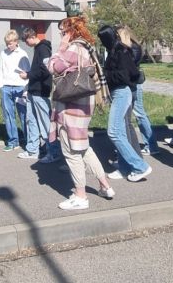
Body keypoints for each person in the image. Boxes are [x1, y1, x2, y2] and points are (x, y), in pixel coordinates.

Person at [48, 16, 114, 209]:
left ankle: (80, 196)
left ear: (70, 31)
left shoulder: (73, 48)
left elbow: (53, 66)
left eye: (63, 31)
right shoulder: (87, 48)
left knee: (71, 152)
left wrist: (61, 47)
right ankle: (105, 185)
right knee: (84, 148)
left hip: (71, 109)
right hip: (84, 107)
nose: (61, 34)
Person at [97, 25, 151, 182]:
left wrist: (104, 74)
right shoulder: (116, 50)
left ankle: (140, 166)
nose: (102, 42)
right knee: (119, 132)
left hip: (122, 92)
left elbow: (127, 74)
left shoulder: (121, 51)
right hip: (119, 92)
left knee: (114, 132)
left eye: (103, 38)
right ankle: (125, 167)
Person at [18, 28, 59, 162]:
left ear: (31, 37)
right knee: (32, 121)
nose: (26, 44)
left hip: (41, 91)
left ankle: (53, 152)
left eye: (26, 41)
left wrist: (28, 75)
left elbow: (45, 70)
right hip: (33, 90)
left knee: (45, 123)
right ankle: (33, 150)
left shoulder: (43, 49)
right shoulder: (38, 49)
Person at [0, 30, 29, 152]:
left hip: (20, 88)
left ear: (16, 42)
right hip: (6, 87)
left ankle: (29, 140)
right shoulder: (3, 53)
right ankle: (13, 141)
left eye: (10, 43)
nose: (8, 46)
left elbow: (27, 72)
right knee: (8, 115)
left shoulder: (22, 54)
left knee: (23, 115)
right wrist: (1, 85)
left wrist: (26, 89)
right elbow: (0, 68)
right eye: (7, 43)